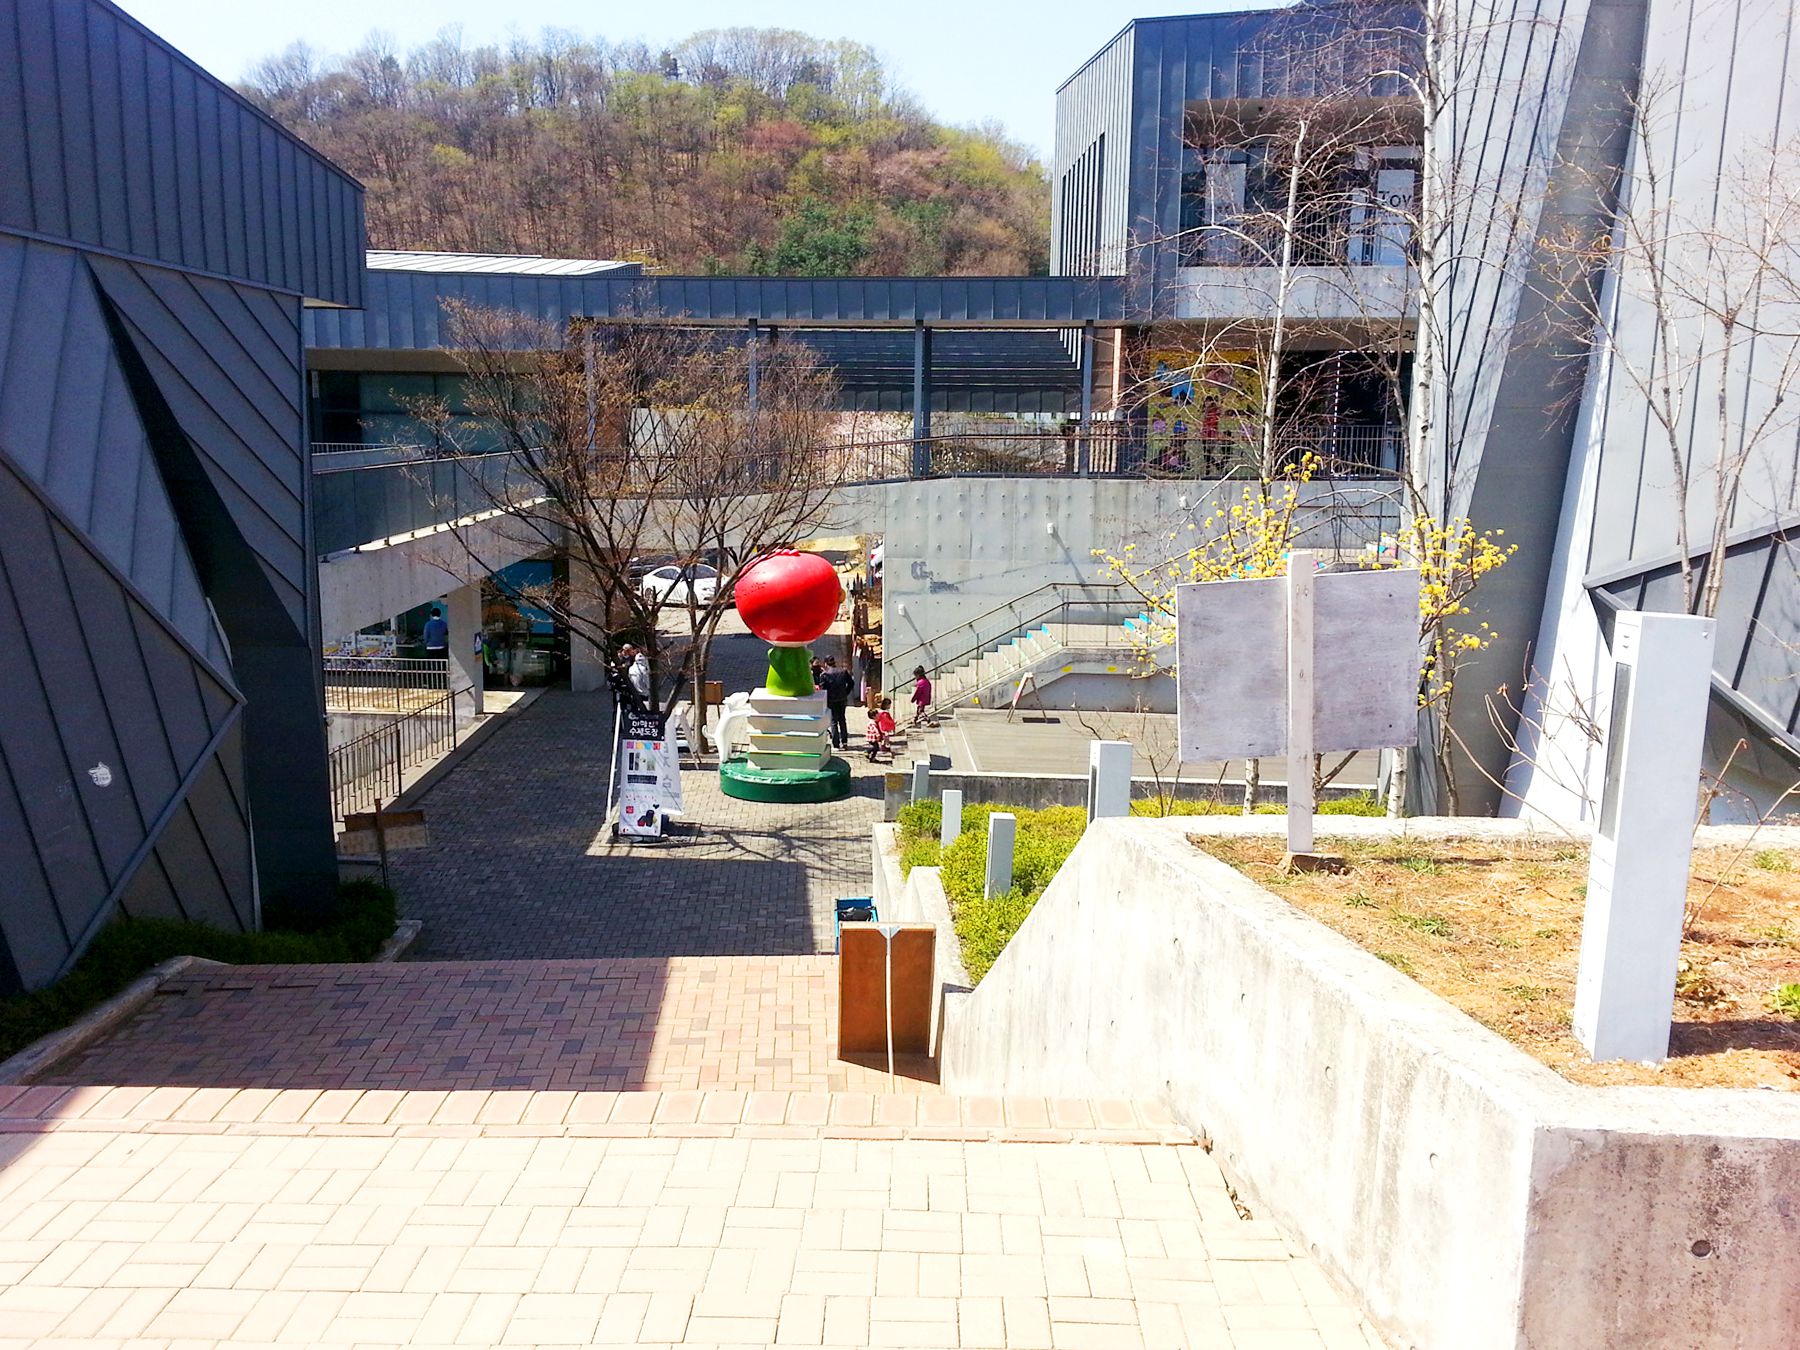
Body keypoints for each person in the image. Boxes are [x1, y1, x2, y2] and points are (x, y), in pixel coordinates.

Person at [818, 655, 855, 750]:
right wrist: (846, 692)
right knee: (842, 719)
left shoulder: (824, 675)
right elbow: (851, 683)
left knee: (834, 721)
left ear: (825, 664)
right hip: (842, 699)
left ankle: (836, 743)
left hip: (831, 700)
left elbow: (823, 689)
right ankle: (844, 742)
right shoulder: (843, 672)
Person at [866, 697, 897, 762]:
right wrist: (878, 735)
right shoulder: (873, 723)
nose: (879, 716)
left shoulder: (874, 721)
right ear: (874, 716)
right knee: (876, 748)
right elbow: (875, 730)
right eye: (877, 715)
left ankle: (872, 757)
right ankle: (868, 752)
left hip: (873, 738)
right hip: (872, 738)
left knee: (876, 748)